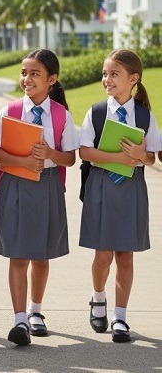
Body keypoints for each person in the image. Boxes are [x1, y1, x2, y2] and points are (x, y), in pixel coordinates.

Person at [0, 49, 78, 346]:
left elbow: (70, 159)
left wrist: (50, 154)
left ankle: (36, 312)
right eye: (24, 72)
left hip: (48, 185)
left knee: (41, 253)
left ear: (52, 79)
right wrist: (24, 162)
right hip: (14, 184)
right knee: (18, 253)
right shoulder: (10, 111)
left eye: (35, 74)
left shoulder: (61, 115)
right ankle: (19, 320)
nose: (27, 79)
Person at [79, 49, 159, 343]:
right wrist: (116, 157)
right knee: (103, 254)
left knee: (126, 255)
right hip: (101, 186)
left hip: (131, 188)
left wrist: (142, 156)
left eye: (114, 74)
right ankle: (98, 297)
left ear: (133, 79)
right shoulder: (97, 112)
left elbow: (152, 157)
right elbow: (84, 152)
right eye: (104, 74)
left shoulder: (145, 116)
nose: (107, 79)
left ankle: (121, 317)